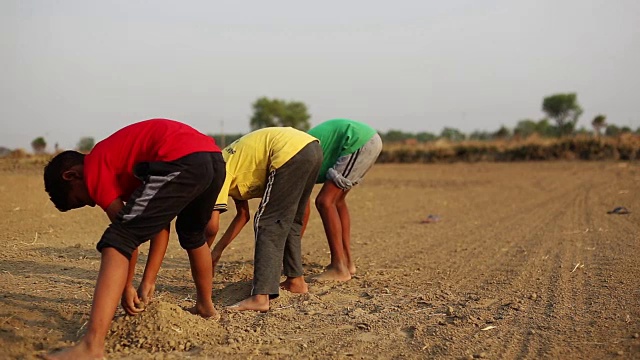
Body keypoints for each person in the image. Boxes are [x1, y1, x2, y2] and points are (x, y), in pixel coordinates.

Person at [42, 119, 225, 360]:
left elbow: (126, 236)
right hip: (212, 159)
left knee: (116, 239)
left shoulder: (95, 165)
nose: (92, 202)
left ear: (71, 176)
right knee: (192, 234)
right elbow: (157, 224)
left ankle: (91, 347)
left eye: (81, 200)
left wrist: (126, 287)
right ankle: (205, 307)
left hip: (182, 159)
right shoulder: (120, 160)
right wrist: (148, 280)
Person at [207, 127, 322, 312]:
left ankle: (260, 297)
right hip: (310, 147)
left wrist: (204, 257)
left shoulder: (216, 173)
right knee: (290, 221)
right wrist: (215, 253)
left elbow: (211, 226)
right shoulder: (230, 164)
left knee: (267, 221)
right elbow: (242, 215)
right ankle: (296, 282)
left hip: (287, 151)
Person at [305, 119, 382, 281]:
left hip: (357, 141)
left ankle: (338, 267)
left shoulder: (292, 161)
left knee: (324, 201)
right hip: (365, 139)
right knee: (337, 201)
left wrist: (293, 243)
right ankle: (347, 263)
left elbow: (301, 209)